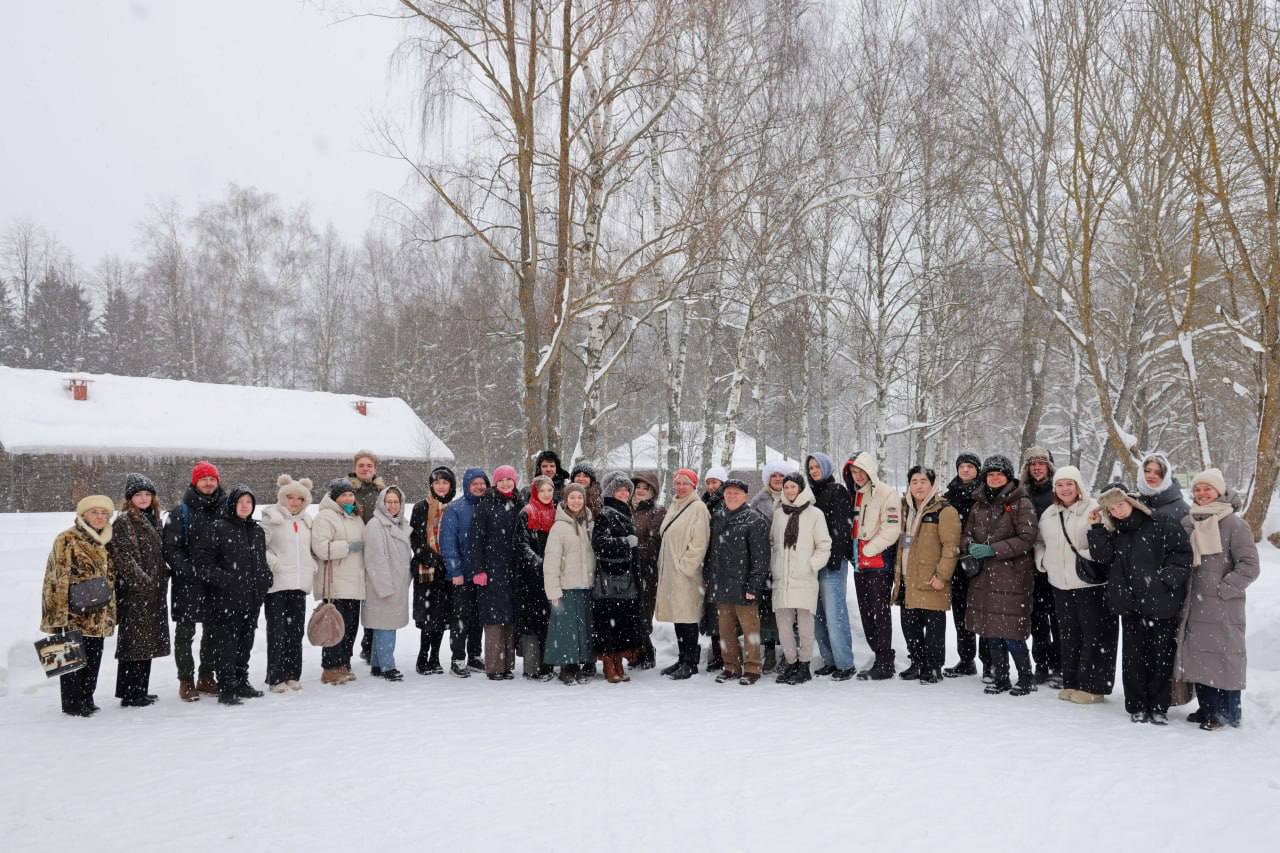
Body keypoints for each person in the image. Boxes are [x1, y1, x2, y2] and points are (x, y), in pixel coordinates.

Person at [1087, 485, 1193, 724]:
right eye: (1112, 509)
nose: (1119, 511)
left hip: (1162, 604)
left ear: (1132, 502)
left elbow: (1183, 554)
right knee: (1133, 658)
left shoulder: (1162, 522)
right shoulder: (1115, 532)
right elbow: (1102, 557)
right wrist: (1095, 527)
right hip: (1131, 606)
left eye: (1121, 505)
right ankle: (1136, 705)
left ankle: (1158, 706)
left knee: (1160, 658)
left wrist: (1165, 580)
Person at [1176, 468, 1260, 730]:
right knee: (1200, 658)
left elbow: (1249, 566)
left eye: (1207, 488)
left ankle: (1227, 713)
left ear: (1219, 491)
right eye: (1198, 489)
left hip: (1223, 606)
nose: (1202, 493)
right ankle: (1207, 708)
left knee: (1225, 658)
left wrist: (1223, 590)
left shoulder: (1234, 524)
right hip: (1194, 604)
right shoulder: (1188, 522)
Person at [1035, 466, 1116, 704]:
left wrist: (1085, 555)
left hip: (1090, 583)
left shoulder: (1093, 509)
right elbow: (1039, 542)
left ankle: (1094, 686)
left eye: (1069, 484)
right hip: (1060, 584)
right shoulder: (1049, 514)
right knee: (1069, 636)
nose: (1065, 489)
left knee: (1095, 636)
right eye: (1060, 485)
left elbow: (1106, 542)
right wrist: (1043, 561)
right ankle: (1072, 682)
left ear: (1079, 485)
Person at [962, 455, 1039, 696]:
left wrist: (994, 549)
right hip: (984, 577)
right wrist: (970, 545)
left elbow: (1027, 538)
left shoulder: (1021, 503)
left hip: (1011, 576)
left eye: (999, 474)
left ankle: (1026, 677)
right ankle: (1001, 676)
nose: (994, 478)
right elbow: (965, 534)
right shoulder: (979, 504)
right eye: (990, 474)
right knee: (991, 629)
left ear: (1008, 476)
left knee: (1012, 631)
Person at [41, 495, 117, 717]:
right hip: (74, 610)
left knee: (93, 658)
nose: (99, 517)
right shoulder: (66, 539)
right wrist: (57, 614)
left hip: (99, 611)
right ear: (83, 515)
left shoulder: (107, 539)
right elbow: (56, 577)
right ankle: (72, 703)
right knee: (71, 659)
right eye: (94, 512)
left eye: (104, 513)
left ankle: (87, 697)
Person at [198, 485, 273, 706]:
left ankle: (241, 680)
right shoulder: (218, 528)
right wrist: (226, 580)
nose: (244, 506)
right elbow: (204, 564)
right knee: (226, 645)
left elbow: (260, 561)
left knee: (245, 642)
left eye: (249, 502)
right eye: (240, 502)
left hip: (251, 598)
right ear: (232, 504)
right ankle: (227, 687)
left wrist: (265, 578)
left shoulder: (256, 531)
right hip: (226, 599)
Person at [892, 466, 961, 685]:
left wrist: (942, 575)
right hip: (907, 577)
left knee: (933, 627)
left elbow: (951, 546)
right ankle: (917, 662)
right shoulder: (904, 508)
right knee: (909, 625)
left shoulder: (944, 510)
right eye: (914, 481)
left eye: (923, 481)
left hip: (932, 578)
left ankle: (933, 667)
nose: (918, 486)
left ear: (932, 484)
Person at [107, 474, 171, 707]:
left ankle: (139, 689)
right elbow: (124, 558)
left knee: (146, 643)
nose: (143, 498)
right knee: (133, 644)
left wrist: (163, 575)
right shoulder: (124, 522)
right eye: (138, 495)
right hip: (135, 593)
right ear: (130, 498)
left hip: (153, 591)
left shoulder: (153, 519)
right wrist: (144, 582)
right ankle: (130, 693)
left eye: (147, 494)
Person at [163, 460, 223, 701]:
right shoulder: (181, 512)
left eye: (212, 479)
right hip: (187, 583)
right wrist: (190, 571)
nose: (208, 483)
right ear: (195, 482)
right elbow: (170, 549)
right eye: (203, 479)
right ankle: (186, 680)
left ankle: (206, 676)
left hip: (216, 582)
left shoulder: (226, 509)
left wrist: (220, 572)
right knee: (185, 633)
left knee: (213, 632)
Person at [704, 478, 771, 684]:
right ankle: (730, 666)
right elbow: (712, 552)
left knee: (750, 629)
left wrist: (754, 585)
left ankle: (752, 668)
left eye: (736, 493)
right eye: (728, 492)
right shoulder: (718, 516)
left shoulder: (754, 519)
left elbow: (761, 558)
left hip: (744, 585)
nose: (731, 496)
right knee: (725, 630)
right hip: (722, 584)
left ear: (745, 496)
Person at [843, 451, 903, 680]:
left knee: (879, 613)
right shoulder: (854, 494)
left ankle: (885, 660)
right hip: (859, 564)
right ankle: (878, 654)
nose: (857, 476)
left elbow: (891, 529)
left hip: (877, 563)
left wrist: (868, 549)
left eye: (860, 471)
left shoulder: (886, 494)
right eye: (853, 472)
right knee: (866, 612)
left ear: (870, 470)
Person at [771, 473, 832, 685]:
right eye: (786, 487)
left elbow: (824, 545)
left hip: (804, 577)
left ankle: (804, 664)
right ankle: (791, 662)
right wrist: (774, 566)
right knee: (784, 624)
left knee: (805, 623)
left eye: (793, 487)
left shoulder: (815, 514)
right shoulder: (778, 513)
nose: (789, 491)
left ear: (801, 489)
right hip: (782, 577)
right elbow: (772, 543)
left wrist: (811, 566)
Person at [260, 475, 315, 693]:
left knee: (295, 632)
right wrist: (275, 562)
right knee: (277, 632)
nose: (294, 502)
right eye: (290, 497)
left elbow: (310, 550)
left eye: (300, 499)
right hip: (277, 585)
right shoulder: (271, 518)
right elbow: (258, 547)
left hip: (299, 585)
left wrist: (312, 566)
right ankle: (275, 676)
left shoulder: (306, 522)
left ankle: (293, 674)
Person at [592, 471, 648, 683]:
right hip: (610, 578)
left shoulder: (626, 512)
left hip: (626, 578)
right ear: (611, 492)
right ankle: (609, 662)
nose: (624, 493)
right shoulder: (606, 514)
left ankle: (618, 662)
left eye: (627, 489)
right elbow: (599, 544)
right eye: (620, 489)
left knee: (622, 622)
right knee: (609, 622)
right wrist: (625, 542)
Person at [656, 468, 712, 679]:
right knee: (678, 618)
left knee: (688, 618)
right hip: (672, 573)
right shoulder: (675, 505)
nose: (680, 487)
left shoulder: (697, 508)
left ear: (693, 486)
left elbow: (699, 543)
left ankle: (691, 662)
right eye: (678, 483)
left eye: (685, 484)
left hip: (686, 575)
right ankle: (682, 658)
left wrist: (685, 567)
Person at [311, 479, 367, 685]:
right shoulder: (325, 517)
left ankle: (344, 662)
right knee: (334, 627)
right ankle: (330, 667)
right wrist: (348, 547)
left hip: (355, 582)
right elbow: (320, 548)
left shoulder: (355, 516)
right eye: (344, 495)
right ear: (335, 497)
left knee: (350, 627)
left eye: (351, 495)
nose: (348, 498)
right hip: (336, 584)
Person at [806, 452, 856, 680]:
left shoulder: (837, 491)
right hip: (812, 563)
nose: (814, 471)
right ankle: (829, 660)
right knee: (818, 616)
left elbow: (842, 527)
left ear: (826, 469)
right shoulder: (809, 493)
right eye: (811, 468)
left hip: (832, 563)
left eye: (817, 467)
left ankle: (845, 663)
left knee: (835, 614)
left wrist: (834, 558)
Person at [470, 465, 522, 680]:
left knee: (509, 619)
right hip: (492, 570)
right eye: (501, 480)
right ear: (495, 483)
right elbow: (476, 539)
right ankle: (494, 666)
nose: (505, 483)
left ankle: (507, 665)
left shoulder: (520, 504)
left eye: (509, 479)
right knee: (494, 619)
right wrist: (478, 569)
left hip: (514, 570)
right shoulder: (486, 504)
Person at [543, 484, 596, 685]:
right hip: (567, 587)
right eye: (572, 497)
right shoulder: (559, 527)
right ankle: (567, 667)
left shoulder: (589, 523)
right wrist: (553, 590)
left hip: (586, 586)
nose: (576, 501)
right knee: (566, 631)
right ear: (566, 500)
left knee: (583, 629)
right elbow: (551, 561)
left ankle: (581, 664)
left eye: (579, 497)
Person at [440, 467, 489, 677]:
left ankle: (475, 655)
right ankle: (457, 658)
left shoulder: (489, 506)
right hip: (463, 575)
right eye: (474, 484)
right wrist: (455, 571)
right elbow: (448, 542)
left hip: (484, 575)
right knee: (461, 617)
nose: (479, 487)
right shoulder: (456, 509)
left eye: (482, 483)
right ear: (467, 485)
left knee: (479, 617)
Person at [749, 460, 797, 674]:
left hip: (790, 561)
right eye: (774, 475)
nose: (777, 479)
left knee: (789, 607)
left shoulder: (795, 499)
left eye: (781, 475)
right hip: (766, 561)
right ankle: (769, 650)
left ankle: (790, 653)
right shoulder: (758, 502)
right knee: (767, 608)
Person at [363, 485, 413, 682]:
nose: (392, 505)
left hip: (396, 582)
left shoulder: (400, 523)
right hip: (383, 585)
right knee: (386, 626)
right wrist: (385, 587)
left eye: (396, 502)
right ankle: (387, 666)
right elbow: (375, 560)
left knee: (382, 624)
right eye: (389, 501)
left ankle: (377, 663)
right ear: (381, 503)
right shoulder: (375, 525)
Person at [410, 467, 457, 675]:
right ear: (431, 485)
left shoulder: (454, 508)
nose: (441, 486)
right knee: (428, 616)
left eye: (445, 482)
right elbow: (415, 538)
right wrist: (431, 558)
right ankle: (423, 656)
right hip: (426, 569)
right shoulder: (421, 507)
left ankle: (436, 657)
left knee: (442, 617)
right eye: (437, 482)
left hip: (447, 569)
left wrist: (449, 561)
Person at [943, 452, 987, 678]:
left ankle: (989, 662)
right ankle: (966, 659)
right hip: (957, 561)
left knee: (984, 612)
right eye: (963, 467)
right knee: (961, 614)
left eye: (971, 466)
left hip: (983, 560)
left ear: (978, 470)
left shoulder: (985, 493)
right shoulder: (950, 494)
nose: (966, 470)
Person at [1020, 447, 1061, 686]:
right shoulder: (1022, 492)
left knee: (1057, 619)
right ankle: (1042, 664)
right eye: (1033, 464)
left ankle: (1059, 665)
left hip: (1054, 563)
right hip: (1028, 565)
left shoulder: (1058, 491)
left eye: (1041, 464)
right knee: (1037, 620)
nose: (1037, 468)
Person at [516, 475, 556, 680]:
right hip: (531, 578)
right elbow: (521, 544)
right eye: (542, 491)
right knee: (533, 623)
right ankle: (533, 666)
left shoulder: (556, 513)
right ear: (535, 492)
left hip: (551, 576)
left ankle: (547, 664)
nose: (547, 495)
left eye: (550, 490)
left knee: (549, 621)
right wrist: (538, 562)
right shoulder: (527, 513)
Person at [350, 450, 384, 665]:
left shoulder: (381, 492)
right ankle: (343, 652)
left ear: (375, 469)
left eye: (369, 466)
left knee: (374, 601)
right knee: (352, 603)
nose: (365, 469)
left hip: (375, 552)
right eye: (361, 465)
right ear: (355, 468)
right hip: (352, 551)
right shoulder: (345, 490)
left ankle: (369, 644)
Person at [631, 471, 665, 670]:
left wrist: (633, 548)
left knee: (644, 612)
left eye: (646, 488)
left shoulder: (657, 512)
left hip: (646, 571)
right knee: (631, 613)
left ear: (653, 492)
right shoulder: (628, 509)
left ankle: (647, 652)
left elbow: (654, 542)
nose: (641, 491)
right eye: (638, 487)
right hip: (628, 571)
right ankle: (635, 652)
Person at [700, 464, 729, 671]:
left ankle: (723, 654)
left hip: (721, 564)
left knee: (722, 611)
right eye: (709, 482)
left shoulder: (724, 504)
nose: (711, 486)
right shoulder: (704, 503)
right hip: (707, 563)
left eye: (715, 482)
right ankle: (716, 650)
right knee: (711, 610)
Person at [1136, 451, 1190, 520]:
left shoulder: (1181, 508)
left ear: (1165, 477)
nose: (1152, 476)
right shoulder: (1132, 502)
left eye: (1158, 473)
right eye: (1147, 471)